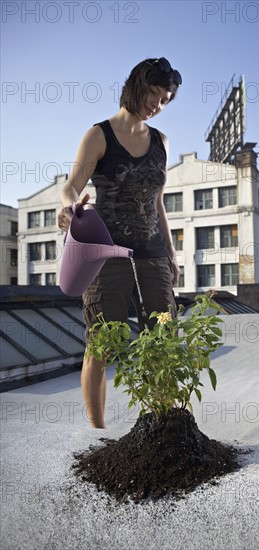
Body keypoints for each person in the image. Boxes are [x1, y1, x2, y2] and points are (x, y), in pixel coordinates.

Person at [57, 57, 182, 429]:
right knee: (102, 344)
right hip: (106, 254)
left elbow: (158, 202)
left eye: (165, 99)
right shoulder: (100, 135)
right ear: (136, 85)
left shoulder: (161, 141)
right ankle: (97, 433)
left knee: (163, 339)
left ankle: (160, 426)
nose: (157, 105)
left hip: (153, 252)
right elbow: (71, 185)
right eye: (154, 94)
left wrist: (172, 253)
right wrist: (68, 208)